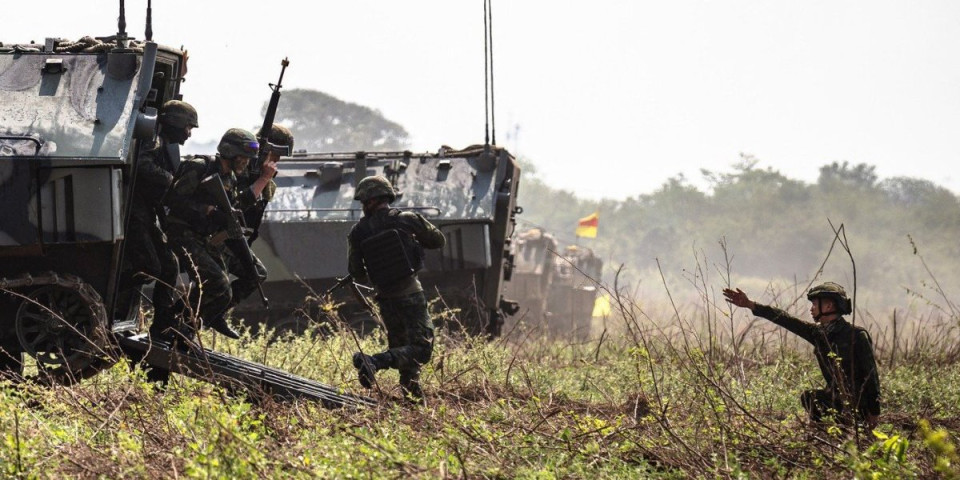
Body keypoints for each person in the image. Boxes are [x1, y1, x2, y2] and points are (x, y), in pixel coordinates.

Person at [163, 128, 277, 340]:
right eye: (243, 157)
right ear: (230, 152)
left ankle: (214, 313)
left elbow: (235, 207)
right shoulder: (199, 168)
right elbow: (173, 201)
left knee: (255, 273)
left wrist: (263, 180)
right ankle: (183, 327)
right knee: (220, 285)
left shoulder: (230, 178)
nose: (246, 162)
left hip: (208, 237)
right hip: (184, 233)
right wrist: (206, 210)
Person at [723, 282, 881, 428]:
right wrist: (750, 304)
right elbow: (785, 319)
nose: (811, 309)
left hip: (859, 405)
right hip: (837, 401)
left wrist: (874, 412)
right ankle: (826, 432)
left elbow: (871, 375)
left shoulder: (856, 335)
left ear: (828, 305)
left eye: (814, 304)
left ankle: (846, 430)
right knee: (810, 398)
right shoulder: (818, 333)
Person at [348, 175, 446, 401]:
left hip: (385, 298)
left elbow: (356, 272)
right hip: (410, 292)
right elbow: (438, 241)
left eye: (364, 202)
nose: (363, 206)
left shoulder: (357, 232)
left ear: (372, 200)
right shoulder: (408, 219)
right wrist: (412, 241)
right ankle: (374, 361)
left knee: (403, 351)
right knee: (421, 350)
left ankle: (414, 401)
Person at [122, 100, 197, 342]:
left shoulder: (162, 142)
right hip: (135, 210)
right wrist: (172, 181)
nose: (189, 133)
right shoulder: (153, 139)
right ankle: (115, 301)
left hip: (148, 211)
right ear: (174, 123)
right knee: (151, 266)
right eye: (188, 127)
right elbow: (142, 165)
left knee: (169, 266)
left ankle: (163, 324)